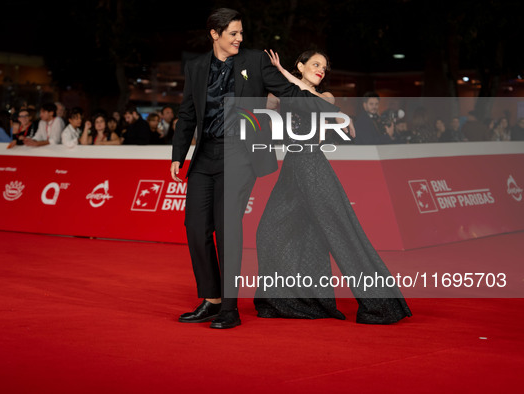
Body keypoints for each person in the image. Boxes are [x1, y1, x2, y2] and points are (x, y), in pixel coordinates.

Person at [170, 8, 345, 329]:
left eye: (240, 33)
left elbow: (290, 93)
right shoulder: (195, 68)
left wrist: (324, 106)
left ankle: (229, 309)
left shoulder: (254, 61)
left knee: (227, 229)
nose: (239, 38)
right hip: (205, 156)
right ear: (215, 34)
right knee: (195, 228)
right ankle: (211, 299)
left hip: (240, 155)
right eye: (233, 33)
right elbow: (186, 114)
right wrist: (177, 154)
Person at [253, 49, 411, 324]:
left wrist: (284, 73)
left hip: (313, 166)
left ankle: (382, 304)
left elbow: (313, 100)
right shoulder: (285, 96)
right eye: (315, 64)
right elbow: (260, 103)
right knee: (271, 230)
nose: (321, 70)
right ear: (301, 66)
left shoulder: (325, 97)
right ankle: (291, 300)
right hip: (291, 169)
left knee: (342, 233)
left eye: (324, 67)